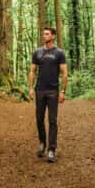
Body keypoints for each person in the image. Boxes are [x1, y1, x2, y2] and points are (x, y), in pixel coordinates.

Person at [28, 26, 67, 163]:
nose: (44, 36)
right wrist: (31, 88)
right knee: (39, 119)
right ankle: (42, 143)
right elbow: (32, 71)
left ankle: (51, 150)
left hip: (53, 91)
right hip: (39, 90)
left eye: (47, 34)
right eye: (43, 34)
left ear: (53, 36)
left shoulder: (59, 53)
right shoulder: (37, 52)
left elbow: (64, 73)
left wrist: (63, 91)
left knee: (52, 120)